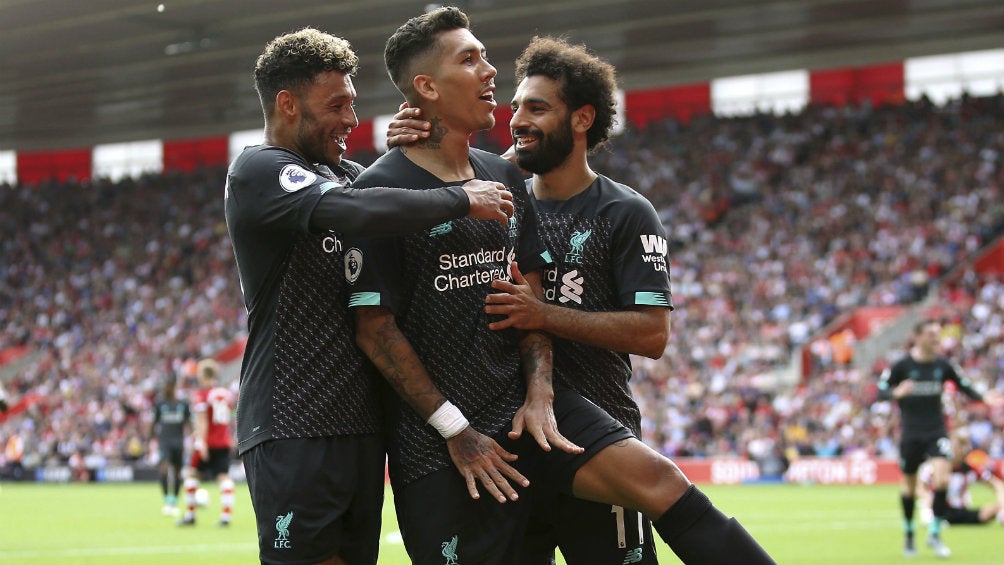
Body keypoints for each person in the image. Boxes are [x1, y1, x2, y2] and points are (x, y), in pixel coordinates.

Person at [356, 8, 776, 565]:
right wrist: (415, 135)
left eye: (536, 108)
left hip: (563, 419)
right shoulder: (442, 183)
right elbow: (376, 319)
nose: (509, 105)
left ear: (581, 119)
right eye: (472, 61)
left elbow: (622, 325)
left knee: (661, 482)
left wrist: (541, 362)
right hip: (467, 439)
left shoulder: (597, 204)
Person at [224, 27, 516, 565]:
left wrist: (407, 148)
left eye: (353, 105)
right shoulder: (258, 170)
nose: (350, 120)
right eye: (336, 106)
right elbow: (355, 210)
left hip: (363, 426)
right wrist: (457, 198)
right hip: (295, 420)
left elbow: (378, 194)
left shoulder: (346, 175)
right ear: (287, 105)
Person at [877, 319, 1003, 557]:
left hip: (936, 431)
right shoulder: (902, 366)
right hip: (911, 433)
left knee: (942, 480)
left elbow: (964, 385)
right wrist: (895, 392)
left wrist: (984, 398)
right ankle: (909, 533)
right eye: (932, 335)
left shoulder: (943, 365)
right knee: (909, 487)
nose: (937, 340)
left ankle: (935, 533)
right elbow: (880, 390)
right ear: (918, 337)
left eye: (938, 335)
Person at [178, 358, 235, 527]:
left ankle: (190, 515)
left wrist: (201, 442)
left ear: (203, 375)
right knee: (223, 477)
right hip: (223, 441)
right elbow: (228, 417)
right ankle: (226, 517)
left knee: (192, 474)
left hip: (208, 441)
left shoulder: (203, 394)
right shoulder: (226, 394)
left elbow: (202, 420)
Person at [918, 429, 1004, 527]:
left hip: (962, 511)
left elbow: (997, 485)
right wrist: (928, 497)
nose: (962, 450)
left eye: (964, 446)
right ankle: (931, 518)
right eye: (958, 447)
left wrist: (1002, 508)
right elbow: (921, 489)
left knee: (991, 511)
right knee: (931, 499)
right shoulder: (934, 468)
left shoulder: (970, 468)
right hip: (941, 509)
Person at [150, 376, 191, 517]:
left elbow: (188, 423)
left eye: (166, 385)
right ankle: (167, 499)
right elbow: (153, 423)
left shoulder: (183, 404)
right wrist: (150, 440)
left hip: (178, 442)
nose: (164, 389)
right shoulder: (160, 404)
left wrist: (191, 438)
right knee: (164, 469)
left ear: (172, 386)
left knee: (178, 472)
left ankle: (174, 500)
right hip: (165, 442)